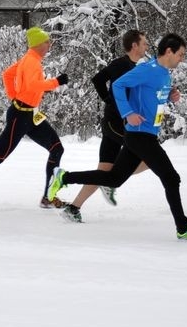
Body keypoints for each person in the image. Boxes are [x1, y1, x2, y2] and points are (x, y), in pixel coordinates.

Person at [47, 33, 187, 240]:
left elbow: (152, 95)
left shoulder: (163, 72)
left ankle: (64, 177)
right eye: (180, 54)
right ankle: (182, 228)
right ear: (169, 51)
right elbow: (117, 85)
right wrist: (127, 113)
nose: (182, 59)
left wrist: (170, 95)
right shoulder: (146, 69)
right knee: (171, 178)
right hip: (140, 135)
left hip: (143, 135)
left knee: (114, 179)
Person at [56, 29, 151, 223]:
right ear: (134, 46)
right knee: (149, 157)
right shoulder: (123, 65)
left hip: (115, 122)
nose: (147, 47)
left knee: (104, 171)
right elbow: (98, 80)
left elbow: (103, 82)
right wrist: (109, 100)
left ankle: (73, 208)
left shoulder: (130, 66)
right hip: (116, 123)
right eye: (144, 43)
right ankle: (100, 180)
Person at [0, 26, 68, 207]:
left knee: (57, 148)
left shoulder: (31, 59)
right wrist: (56, 82)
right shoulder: (31, 61)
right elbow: (32, 85)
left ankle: (48, 197)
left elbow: (7, 74)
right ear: (39, 44)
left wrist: (14, 95)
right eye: (47, 41)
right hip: (20, 116)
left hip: (31, 115)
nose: (50, 45)